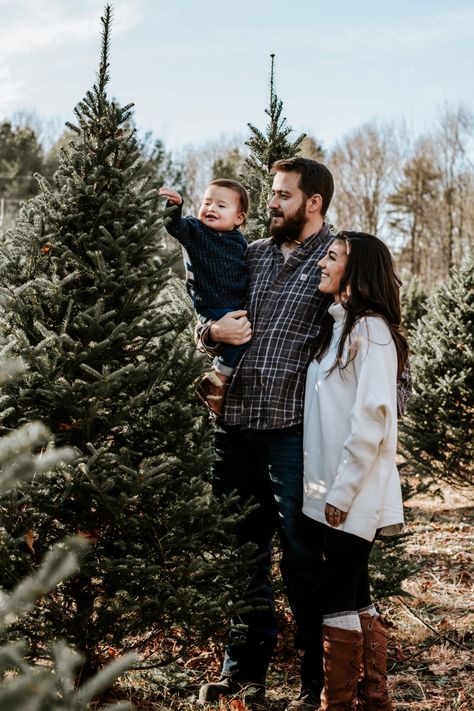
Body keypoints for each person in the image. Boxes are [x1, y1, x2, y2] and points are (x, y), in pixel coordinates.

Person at [195, 157, 337, 708]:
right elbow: (207, 306)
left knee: (303, 557)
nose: (271, 202)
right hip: (233, 429)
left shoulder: (334, 259)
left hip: (293, 434)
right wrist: (210, 331)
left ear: (313, 202)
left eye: (282, 195)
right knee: (241, 553)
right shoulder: (245, 253)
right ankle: (242, 675)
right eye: (271, 194)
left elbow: (368, 327)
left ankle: (314, 680)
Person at [302, 231, 408, 710]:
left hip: (353, 492)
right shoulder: (342, 326)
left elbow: (373, 420)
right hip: (334, 488)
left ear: (357, 270)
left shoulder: (371, 332)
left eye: (332, 257)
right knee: (356, 590)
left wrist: (340, 494)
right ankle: (373, 698)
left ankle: (338, 703)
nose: (322, 263)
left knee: (337, 594)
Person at [159, 179, 249, 416]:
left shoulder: (239, 242)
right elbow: (174, 225)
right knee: (240, 339)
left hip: (234, 304)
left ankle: (219, 381)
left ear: (238, 218)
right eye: (207, 202)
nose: (211, 209)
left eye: (221, 205)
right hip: (211, 304)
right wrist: (174, 206)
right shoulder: (195, 230)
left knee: (243, 336)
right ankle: (216, 379)